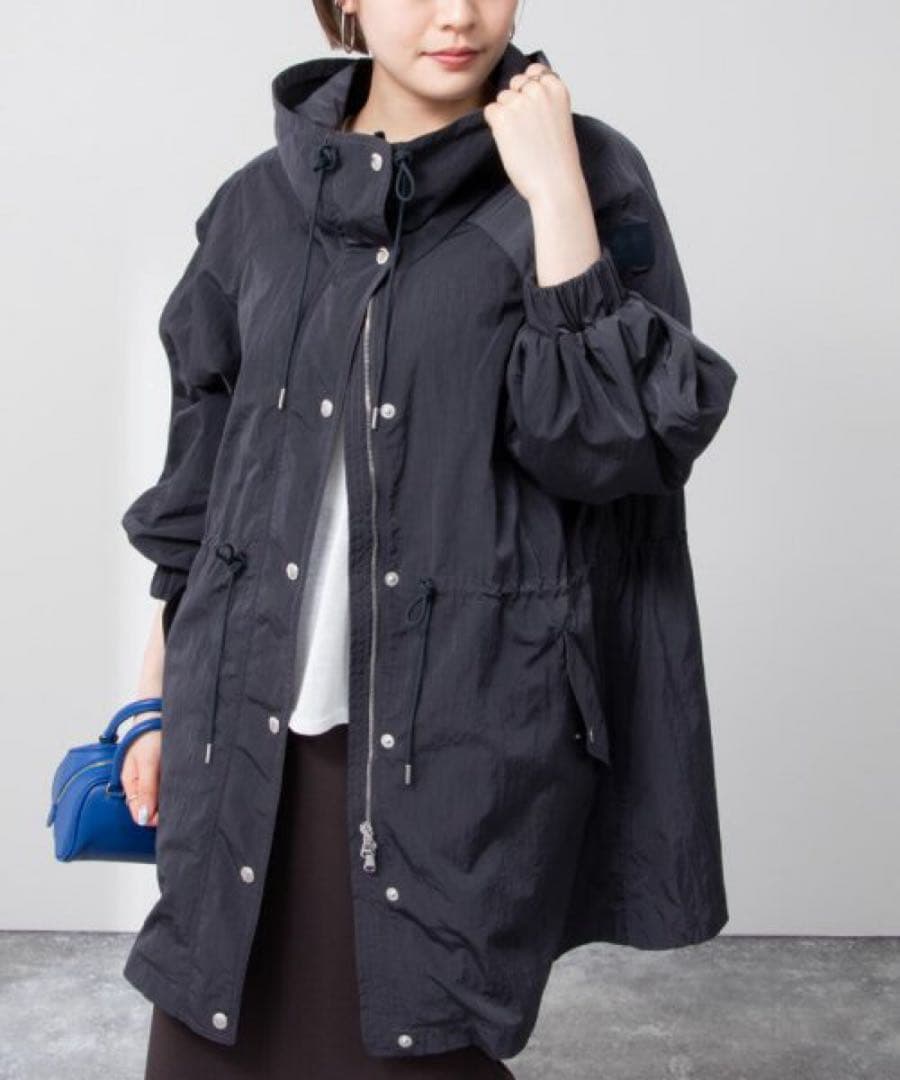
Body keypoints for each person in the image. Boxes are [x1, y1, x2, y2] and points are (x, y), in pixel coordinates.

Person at [119, 0, 738, 1077]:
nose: (458, 14)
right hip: (243, 718)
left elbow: (617, 443)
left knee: (421, 1045)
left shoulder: (589, 176)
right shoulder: (256, 206)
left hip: (458, 730)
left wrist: (555, 193)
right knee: (206, 1040)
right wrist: (148, 703)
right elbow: (203, 484)